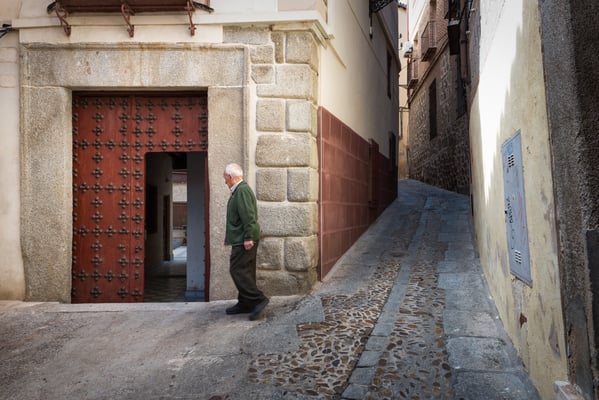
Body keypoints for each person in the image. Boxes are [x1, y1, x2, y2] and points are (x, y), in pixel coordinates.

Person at [223, 163, 269, 320]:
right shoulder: (239, 191)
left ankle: (258, 300)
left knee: (237, 270)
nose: (225, 181)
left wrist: (248, 237)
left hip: (245, 239)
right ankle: (245, 303)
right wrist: (228, 237)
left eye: (225, 178)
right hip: (240, 238)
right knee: (246, 271)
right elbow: (236, 219)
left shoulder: (241, 191)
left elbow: (249, 216)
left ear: (231, 177)